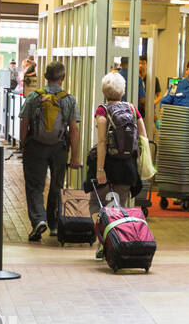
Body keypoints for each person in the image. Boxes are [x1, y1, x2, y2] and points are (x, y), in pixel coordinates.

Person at [19, 61, 81, 242]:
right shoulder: (69, 99)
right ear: (63, 77)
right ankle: (54, 225)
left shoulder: (34, 97)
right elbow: (74, 129)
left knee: (34, 186)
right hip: (59, 148)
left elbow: (24, 122)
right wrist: (75, 156)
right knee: (56, 185)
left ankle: (39, 219)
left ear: (45, 77)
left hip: (36, 147)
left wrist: (24, 145)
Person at [87, 72, 147, 249]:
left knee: (96, 204)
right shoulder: (132, 109)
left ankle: (102, 242)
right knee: (119, 206)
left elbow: (102, 142)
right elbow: (143, 137)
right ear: (123, 91)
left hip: (107, 164)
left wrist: (100, 170)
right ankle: (116, 243)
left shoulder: (102, 111)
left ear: (104, 92)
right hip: (127, 167)